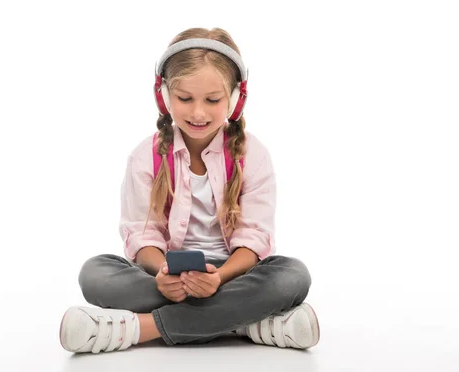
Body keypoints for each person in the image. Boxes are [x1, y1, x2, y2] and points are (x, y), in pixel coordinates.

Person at [59, 27, 320, 354]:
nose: (198, 113)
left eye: (213, 100)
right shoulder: (146, 157)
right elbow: (143, 237)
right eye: (185, 98)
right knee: (95, 272)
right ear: (164, 96)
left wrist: (218, 279)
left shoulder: (253, 155)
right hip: (168, 280)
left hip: (232, 277)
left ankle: (140, 328)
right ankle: (246, 322)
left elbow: (254, 238)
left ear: (236, 99)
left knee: (291, 276)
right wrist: (163, 275)